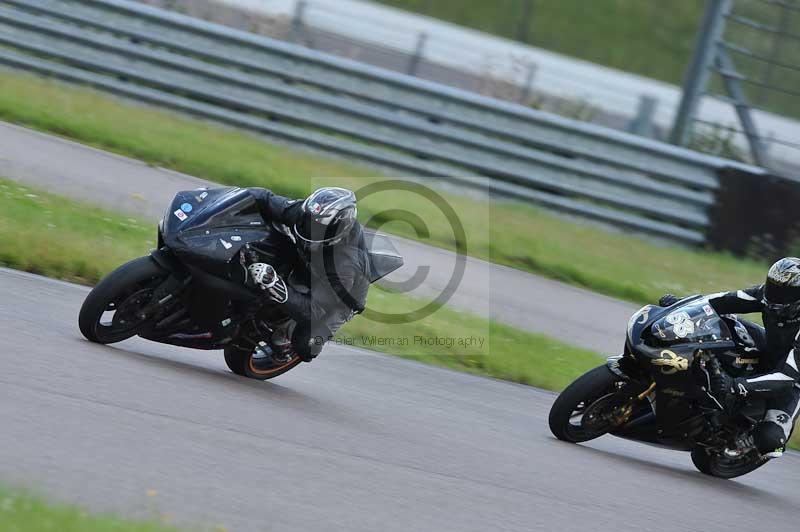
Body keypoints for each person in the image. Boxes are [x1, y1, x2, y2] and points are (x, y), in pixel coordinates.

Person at [659, 257, 800, 459]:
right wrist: (683, 305)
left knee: (770, 442)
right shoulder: (766, 296)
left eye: (786, 292)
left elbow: (786, 377)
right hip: (769, 347)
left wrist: (735, 385)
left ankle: (744, 441)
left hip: (792, 382)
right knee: (723, 322)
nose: (776, 295)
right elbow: (722, 300)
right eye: (774, 287)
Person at [244, 186, 370, 369]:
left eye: (319, 228)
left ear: (336, 231)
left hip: (339, 298)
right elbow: (264, 198)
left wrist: (275, 285)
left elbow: (315, 310)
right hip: (310, 261)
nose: (310, 227)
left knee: (306, 345)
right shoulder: (307, 213)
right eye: (310, 221)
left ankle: (284, 342)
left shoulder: (345, 264)